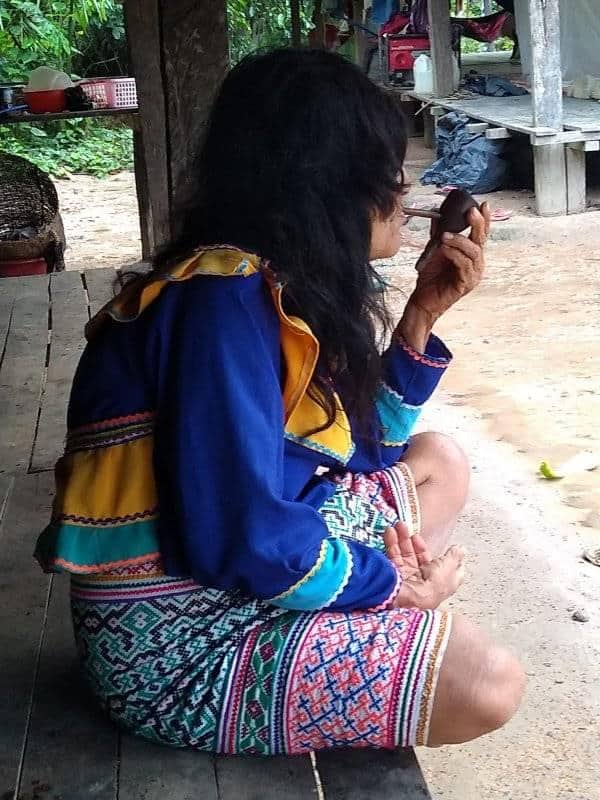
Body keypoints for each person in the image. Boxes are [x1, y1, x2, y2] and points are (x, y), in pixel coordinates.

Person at [35, 48, 524, 756]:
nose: (404, 185)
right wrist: (387, 584)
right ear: (327, 181)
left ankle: (356, 620)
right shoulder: (219, 305)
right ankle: (366, 624)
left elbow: (364, 454)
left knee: (438, 461)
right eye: (388, 166)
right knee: (489, 683)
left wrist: (421, 313)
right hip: (180, 645)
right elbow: (242, 536)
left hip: (242, 574)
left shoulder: (275, 286)